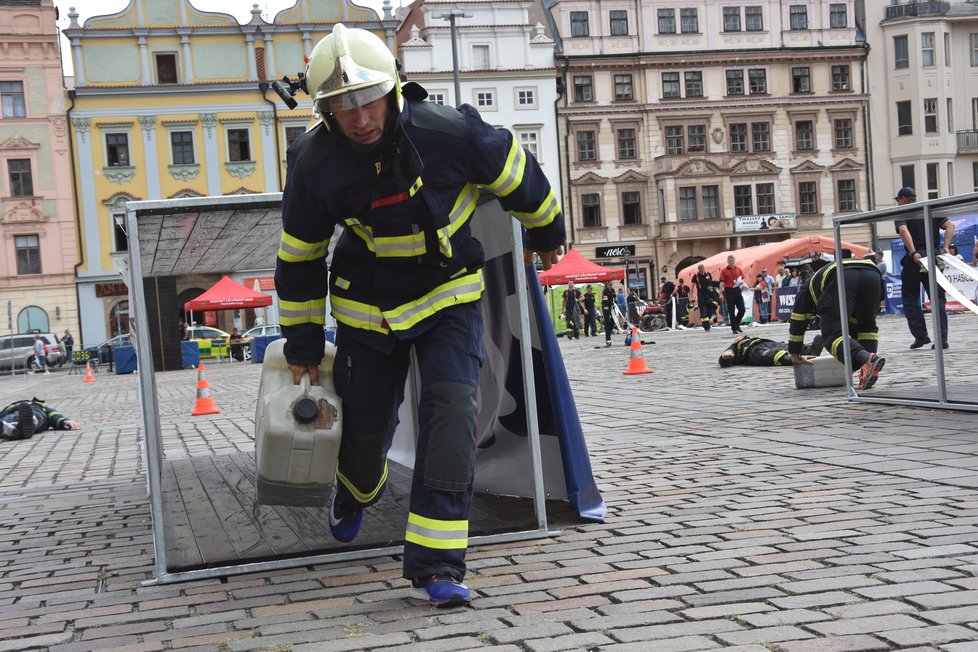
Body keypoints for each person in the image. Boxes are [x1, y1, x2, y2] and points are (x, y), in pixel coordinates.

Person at [273, 25, 564, 608]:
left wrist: (548, 230)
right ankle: (356, 490)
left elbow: (515, 169)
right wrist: (303, 345)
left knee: (452, 418)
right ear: (325, 110)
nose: (360, 119)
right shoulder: (313, 163)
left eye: (367, 100)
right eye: (343, 106)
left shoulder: (447, 131)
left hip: (447, 297)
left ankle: (438, 567)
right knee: (364, 433)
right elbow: (300, 257)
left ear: (393, 89)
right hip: (367, 307)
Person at [788, 257, 886, 390]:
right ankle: (867, 368)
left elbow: (797, 321)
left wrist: (795, 354)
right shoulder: (819, 278)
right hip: (872, 273)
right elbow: (855, 326)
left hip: (841, 275)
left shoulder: (806, 290)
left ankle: (868, 359)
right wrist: (854, 362)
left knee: (832, 336)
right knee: (866, 327)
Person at [894, 186, 955, 350]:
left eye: (898, 200)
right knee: (937, 299)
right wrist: (946, 247)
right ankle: (942, 339)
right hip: (933, 258)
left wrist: (913, 251)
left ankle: (921, 336)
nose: (898, 203)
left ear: (904, 199)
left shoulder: (904, 212)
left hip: (915, 260)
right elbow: (950, 226)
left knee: (910, 298)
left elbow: (903, 229)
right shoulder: (929, 209)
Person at [1, 398, 80, 441]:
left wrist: (64, 421)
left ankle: (11, 429)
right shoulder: (39, 405)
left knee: (35, 417)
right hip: (14, 415)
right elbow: (53, 414)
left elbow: (53, 414)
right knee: (35, 418)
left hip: (33, 413)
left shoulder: (38, 406)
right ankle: (14, 430)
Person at [719, 334, 823, 367]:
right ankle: (790, 359)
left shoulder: (750, 338)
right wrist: (724, 358)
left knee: (785, 346)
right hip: (751, 351)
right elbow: (724, 360)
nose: (738, 337)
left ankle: (806, 350)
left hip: (766, 343)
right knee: (769, 355)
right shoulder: (735, 346)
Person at [719, 255, 746, 333]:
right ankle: (734, 328)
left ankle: (736, 324)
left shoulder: (738, 269)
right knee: (731, 310)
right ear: (727, 261)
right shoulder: (724, 271)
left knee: (742, 309)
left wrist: (743, 285)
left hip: (737, 289)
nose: (732, 262)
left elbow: (742, 279)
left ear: (734, 261)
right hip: (729, 291)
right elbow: (721, 282)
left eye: (733, 260)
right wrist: (720, 293)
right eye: (730, 261)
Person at [690, 263, 718, 331]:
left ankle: (707, 322)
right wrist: (691, 297)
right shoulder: (695, 276)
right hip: (701, 294)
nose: (701, 270)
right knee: (703, 311)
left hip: (709, 294)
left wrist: (711, 288)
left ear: (704, 268)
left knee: (710, 310)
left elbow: (711, 282)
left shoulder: (708, 274)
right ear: (698, 269)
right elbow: (692, 286)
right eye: (700, 269)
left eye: (702, 268)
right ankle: (706, 327)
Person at [600, 280, 616, 346]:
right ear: (607, 285)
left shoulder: (612, 290)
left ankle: (610, 329)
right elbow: (605, 301)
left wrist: (614, 303)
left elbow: (614, 297)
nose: (611, 286)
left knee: (613, 320)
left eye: (611, 285)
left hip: (612, 307)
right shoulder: (605, 291)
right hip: (606, 307)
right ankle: (608, 338)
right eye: (610, 285)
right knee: (607, 321)